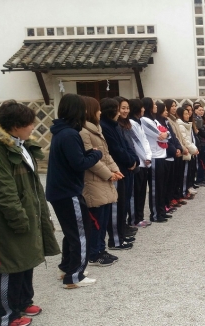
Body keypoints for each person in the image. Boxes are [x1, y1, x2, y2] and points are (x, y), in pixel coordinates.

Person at [0, 101, 60, 326]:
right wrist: (18, 218)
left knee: (26, 259)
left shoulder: (20, 145)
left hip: (27, 213)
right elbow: (2, 190)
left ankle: (24, 301)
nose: (33, 126)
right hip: (6, 220)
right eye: (29, 123)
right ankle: (6, 315)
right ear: (15, 125)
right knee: (9, 265)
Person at [46, 93, 102, 289]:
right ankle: (75, 275)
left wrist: (89, 153)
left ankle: (66, 267)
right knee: (81, 232)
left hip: (59, 190)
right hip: (68, 191)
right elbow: (79, 164)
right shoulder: (70, 134)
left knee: (72, 232)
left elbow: (73, 158)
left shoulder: (62, 131)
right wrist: (97, 154)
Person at [79, 96, 122, 268]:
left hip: (103, 178)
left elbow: (106, 154)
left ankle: (101, 249)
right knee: (96, 219)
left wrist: (114, 169)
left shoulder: (96, 129)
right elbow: (91, 158)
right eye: (97, 109)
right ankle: (94, 253)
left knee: (103, 218)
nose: (100, 112)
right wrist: (108, 174)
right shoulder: (83, 132)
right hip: (93, 181)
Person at [99, 98, 139, 248]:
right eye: (118, 108)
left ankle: (121, 234)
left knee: (123, 204)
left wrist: (134, 160)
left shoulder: (115, 126)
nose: (121, 111)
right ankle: (115, 240)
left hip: (125, 168)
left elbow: (127, 146)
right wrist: (130, 161)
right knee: (117, 206)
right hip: (117, 170)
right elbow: (115, 150)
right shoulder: (105, 127)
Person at [141, 97, 170, 223]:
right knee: (155, 187)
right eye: (154, 104)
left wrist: (165, 135)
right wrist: (164, 136)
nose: (156, 106)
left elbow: (166, 134)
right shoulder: (145, 120)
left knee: (162, 186)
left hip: (161, 155)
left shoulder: (155, 120)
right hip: (154, 157)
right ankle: (155, 214)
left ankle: (161, 210)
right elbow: (160, 135)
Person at [128, 99, 153, 228]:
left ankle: (140, 217)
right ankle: (134, 219)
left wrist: (148, 156)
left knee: (142, 192)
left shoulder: (139, 123)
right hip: (139, 162)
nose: (143, 110)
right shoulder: (131, 123)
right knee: (136, 193)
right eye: (141, 108)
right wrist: (145, 157)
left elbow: (145, 141)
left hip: (145, 162)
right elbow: (136, 143)